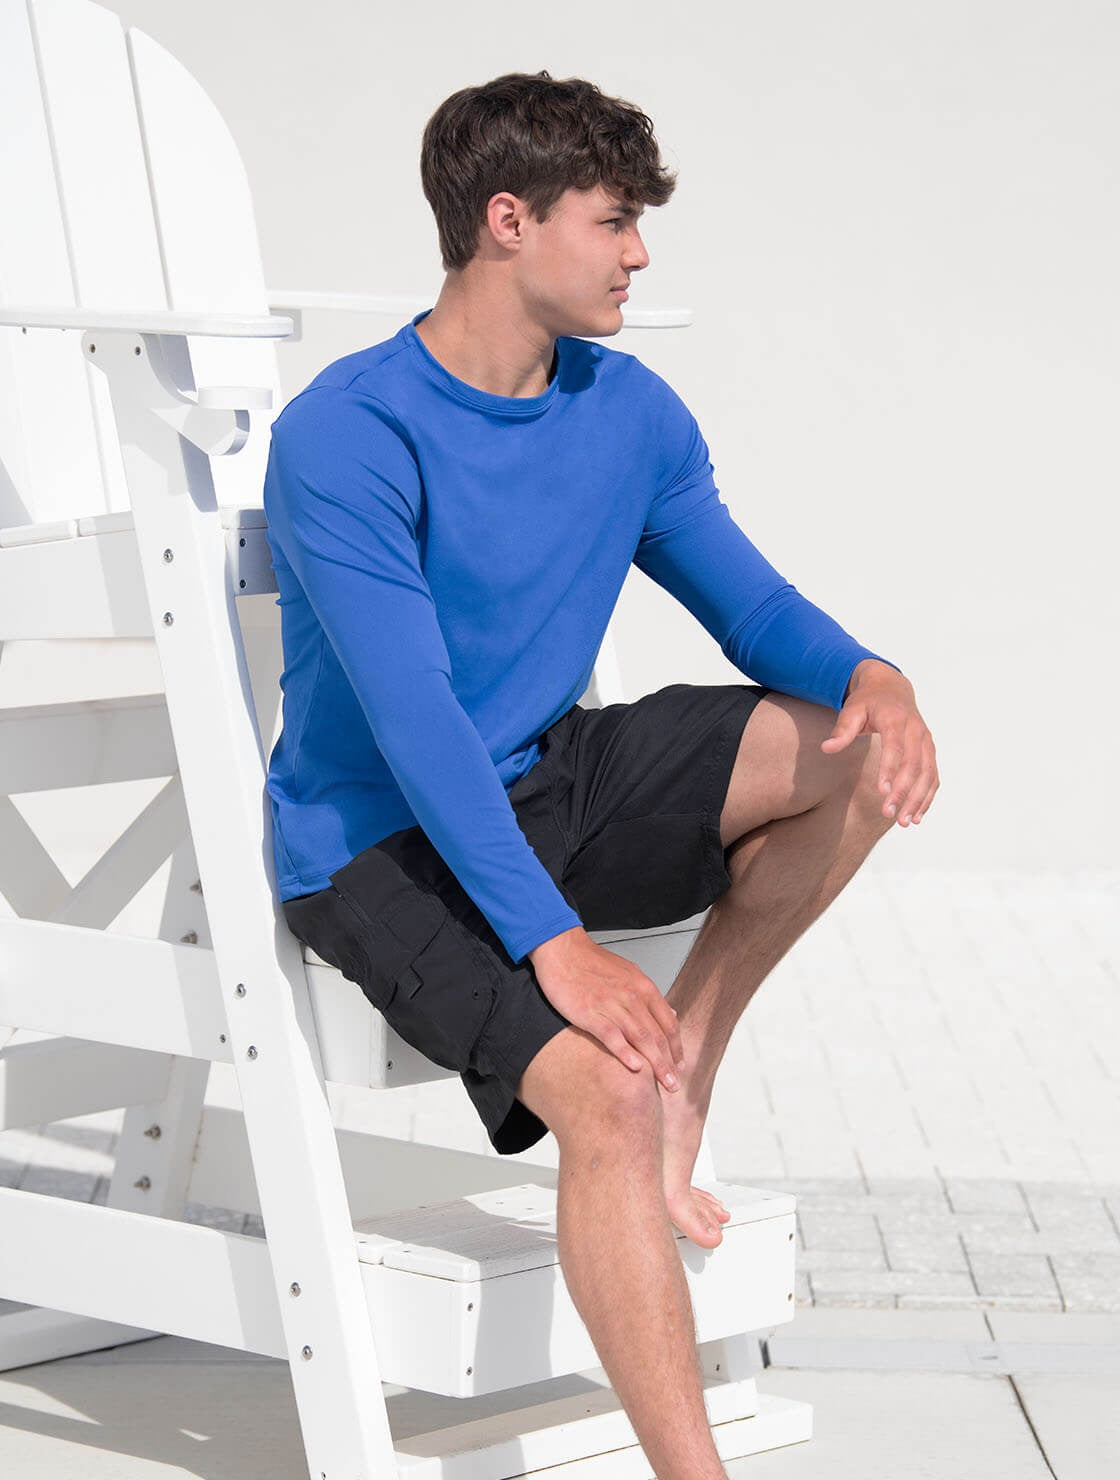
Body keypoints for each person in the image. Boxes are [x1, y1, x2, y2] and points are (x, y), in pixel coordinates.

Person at [263, 69, 938, 1480]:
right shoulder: (348, 432)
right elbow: (416, 725)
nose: (640, 255)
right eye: (615, 222)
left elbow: (751, 608)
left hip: (544, 779)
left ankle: (693, 1062)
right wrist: (555, 944)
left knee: (849, 749)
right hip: (376, 840)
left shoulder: (628, 412)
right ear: (508, 221)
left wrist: (872, 673)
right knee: (605, 1097)